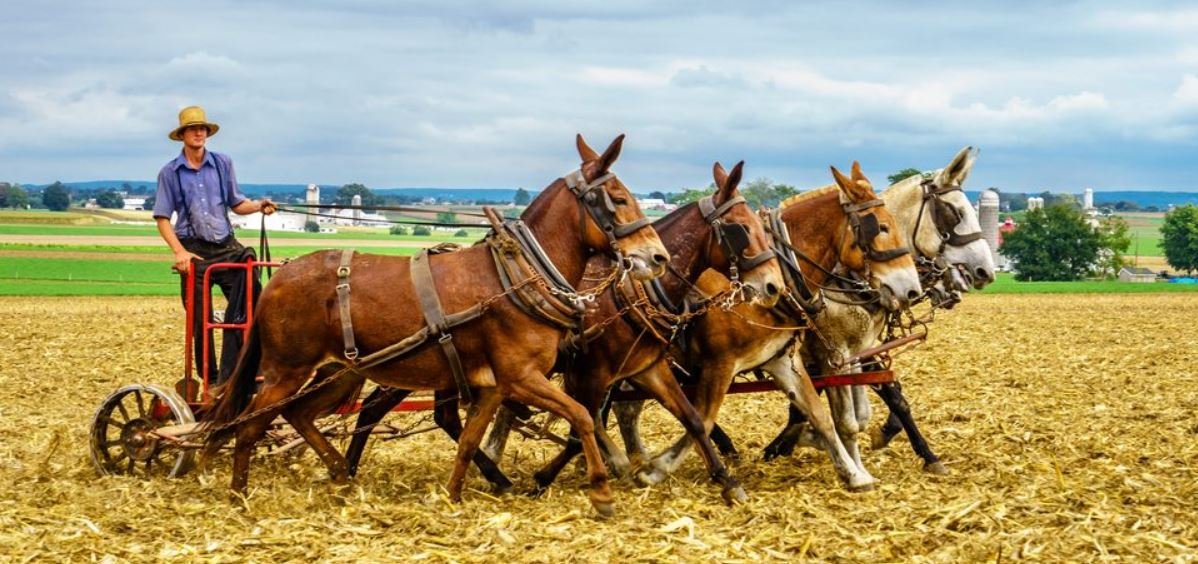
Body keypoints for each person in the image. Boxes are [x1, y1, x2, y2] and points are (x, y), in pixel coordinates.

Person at [152, 106, 276, 397]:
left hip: (227, 248)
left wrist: (259, 205)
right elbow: (162, 218)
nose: (199, 133)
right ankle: (213, 381)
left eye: (203, 128)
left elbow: (237, 204)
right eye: (193, 129)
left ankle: (249, 371)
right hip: (194, 252)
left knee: (253, 307)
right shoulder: (170, 173)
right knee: (199, 320)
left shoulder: (222, 164)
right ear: (182, 135)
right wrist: (180, 253)